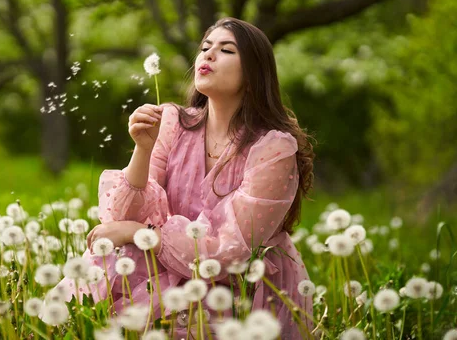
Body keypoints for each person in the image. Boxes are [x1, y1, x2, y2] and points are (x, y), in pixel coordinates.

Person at [58, 17, 315, 338]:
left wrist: (140, 232)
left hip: (237, 285)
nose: (208, 55)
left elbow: (234, 253)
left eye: (226, 50)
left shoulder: (272, 149)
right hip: (172, 262)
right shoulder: (173, 123)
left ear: (253, 75)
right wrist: (142, 149)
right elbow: (120, 218)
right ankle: (71, 327)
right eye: (205, 48)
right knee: (111, 256)